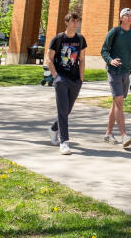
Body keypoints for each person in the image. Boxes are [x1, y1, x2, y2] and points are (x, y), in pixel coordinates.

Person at [100, 7, 131, 147]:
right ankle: (124, 135)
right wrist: (110, 60)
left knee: (116, 103)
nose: (129, 17)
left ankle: (108, 134)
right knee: (119, 102)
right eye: (126, 15)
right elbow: (104, 50)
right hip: (114, 71)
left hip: (126, 71)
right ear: (121, 18)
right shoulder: (115, 32)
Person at [46, 12, 87, 155]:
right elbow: (49, 59)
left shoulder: (80, 39)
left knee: (67, 110)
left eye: (77, 21)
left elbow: (82, 59)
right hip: (61, 78)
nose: (76, 23)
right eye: (73, 21)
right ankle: (64, 142)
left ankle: (53, 128)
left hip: (75, 79)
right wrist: (55, 76)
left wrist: (81, 78)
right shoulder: (58, 39)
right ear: (67, 22)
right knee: (62, 109)